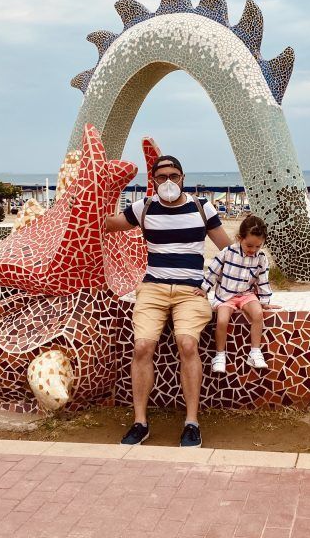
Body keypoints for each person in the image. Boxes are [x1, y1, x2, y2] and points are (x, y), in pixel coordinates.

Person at [104, 154, 231, 447]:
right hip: (153, 289)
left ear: (183, 178)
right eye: (162, 177)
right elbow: (109, 225)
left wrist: (234, 290)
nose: (168, 182)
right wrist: (87, 198)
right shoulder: (144, 207)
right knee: (142, 346)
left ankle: (191, 422)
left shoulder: (201, 207)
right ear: (154, 181)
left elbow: (228, 252)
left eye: (174, 176)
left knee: (188, 344)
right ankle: (139, 422)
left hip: (191, 292)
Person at [199, 215, 278, 373]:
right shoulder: (227, 252)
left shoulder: (261, 258)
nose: (253, 250)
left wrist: (264, 301)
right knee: (222, 320)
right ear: (239, 238)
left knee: (257, 314)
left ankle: (255, 352)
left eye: (258, 246)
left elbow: (262, 280)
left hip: (247, 295)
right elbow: (213, 271)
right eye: (249, 245)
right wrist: (204, 288)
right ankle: (219, 355)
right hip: (226, 296)